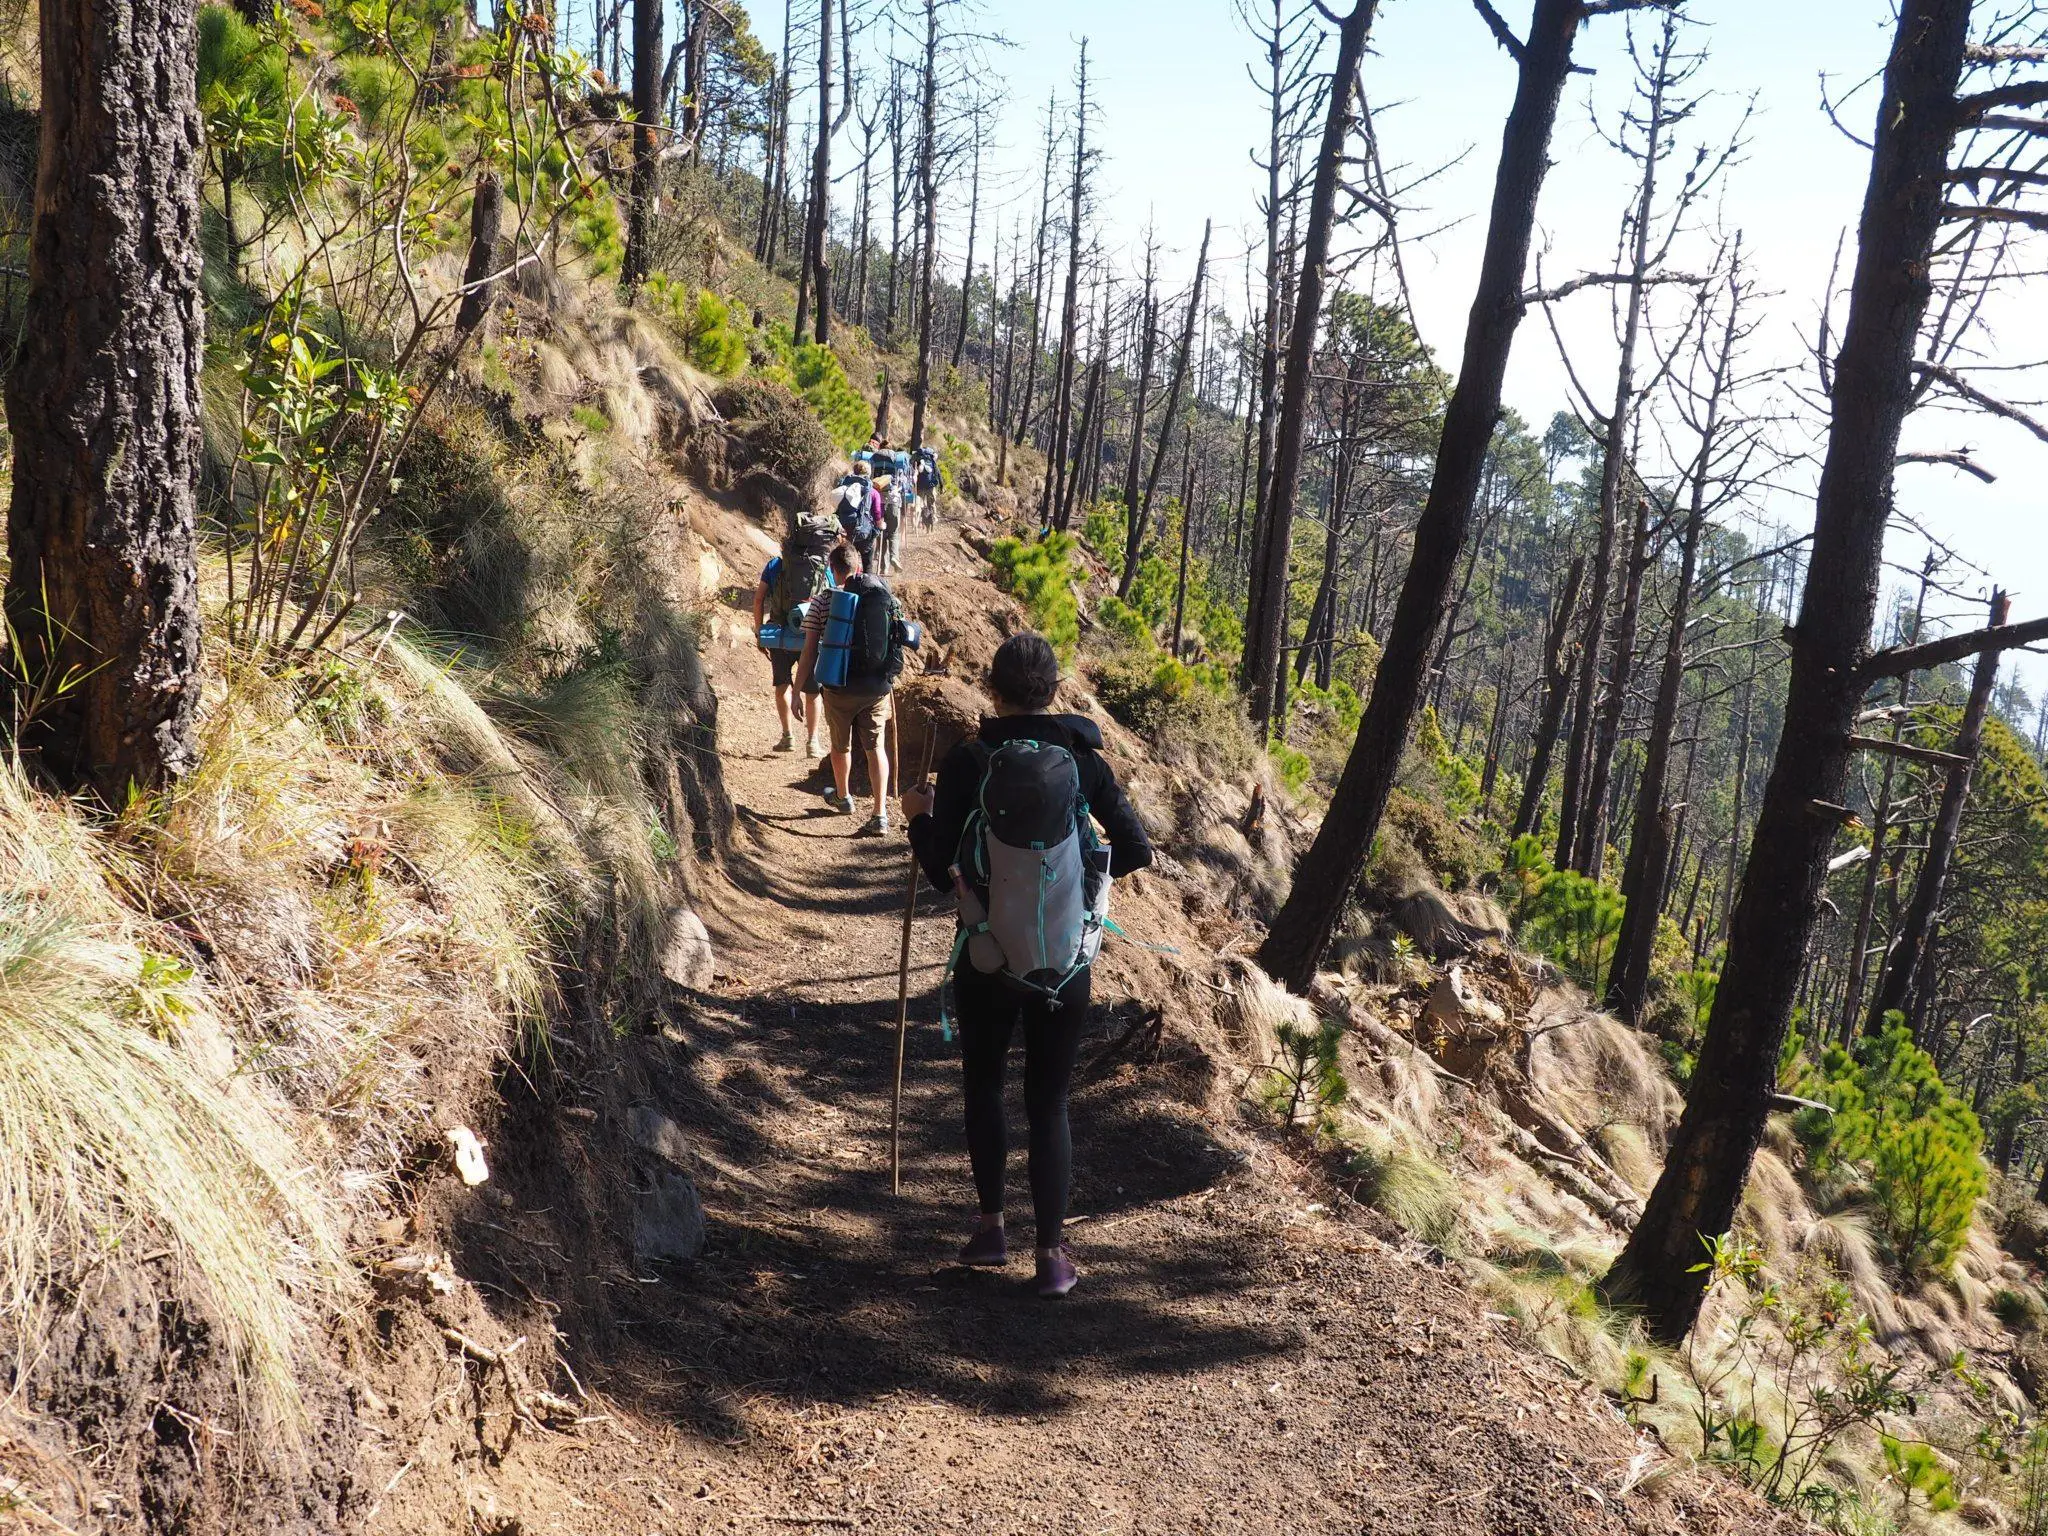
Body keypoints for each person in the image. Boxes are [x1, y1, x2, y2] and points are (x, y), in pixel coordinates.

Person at [902, 633, 1153, 1298]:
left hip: (986, 956)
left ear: (994, 689)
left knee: (984, 1086)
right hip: (1065, 964)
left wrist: (917, 820)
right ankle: (1052, 1257)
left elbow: (937, 871)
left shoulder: (970, 760)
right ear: (1054, 689)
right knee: (1050, 1104)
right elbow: (1134, 848)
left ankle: (990, 1230)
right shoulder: (1083, 758)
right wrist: (1080, 882)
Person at [795, 542, 905, 836]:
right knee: (875, 748)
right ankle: (880, 814)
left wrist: (797, 690)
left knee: (840, 745)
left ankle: (843, 798)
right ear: (858, 567)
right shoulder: (883, 595)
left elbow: (808, 651)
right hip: (876, 688)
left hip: (838, 688)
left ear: (833, 571)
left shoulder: (822, 601)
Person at [752, 515, 836, 755]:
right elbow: (829, 599)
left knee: (782, 685)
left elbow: (758, 599)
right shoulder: (822, 568)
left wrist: (759, 631)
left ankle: (787, 737)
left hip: (779, 634)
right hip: (810, 636)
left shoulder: (775, 565)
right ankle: (813, 742)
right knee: (812, 690)